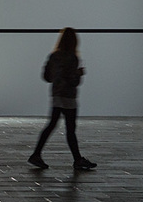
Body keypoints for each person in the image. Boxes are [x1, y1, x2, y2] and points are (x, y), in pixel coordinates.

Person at [29, 27, 96, 170]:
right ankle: (77, 160)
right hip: (69, 97)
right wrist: (79, 74)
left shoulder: (53, 56)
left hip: (56, 95)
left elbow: (46, 77)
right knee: (70, 129)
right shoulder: (73, 57)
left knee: (52, 125)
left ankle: (37, 154)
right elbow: (73, 81)